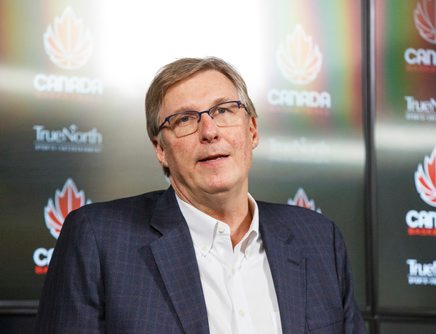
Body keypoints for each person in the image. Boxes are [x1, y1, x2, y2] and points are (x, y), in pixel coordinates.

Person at [35, 57, 365, 333]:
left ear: (252, 130)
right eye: (185, 119)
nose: (209, 131)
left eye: (223, 110)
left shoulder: (320, 240)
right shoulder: (98, 238)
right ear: (160, 149)